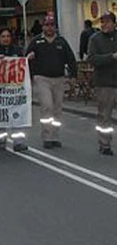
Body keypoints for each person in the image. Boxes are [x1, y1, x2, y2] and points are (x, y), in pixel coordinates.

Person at [25, 16, 77, 149]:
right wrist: (29, 62)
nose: (49, 27)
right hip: (42, 78)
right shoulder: (36, 41)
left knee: (57, 108)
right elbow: (25, 59)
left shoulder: (62, 42)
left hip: (59, 78)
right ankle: (47, 136)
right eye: (46, 25)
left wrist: (73, 76)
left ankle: (55, 136)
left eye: (51, 25)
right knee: (47, 105)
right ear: (43, 27)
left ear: (55, 27)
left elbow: (70, 59)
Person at [0, 27, 28, 151]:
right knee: (0, 114)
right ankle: (1, 139)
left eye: (8, 36)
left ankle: (18, 142)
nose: (5, 39)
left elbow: (23, 65)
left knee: (17, 113)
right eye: (3, 36)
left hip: (14, 88)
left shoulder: (17, 51)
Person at [88, 12, 117, 156]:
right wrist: (111, 57)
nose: (104, 24)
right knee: (104, 115)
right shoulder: (95, 39)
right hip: (105, 82)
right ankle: (104, 144)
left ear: (114, 23)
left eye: (107, 21)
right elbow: (92, 59)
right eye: (102, 22)